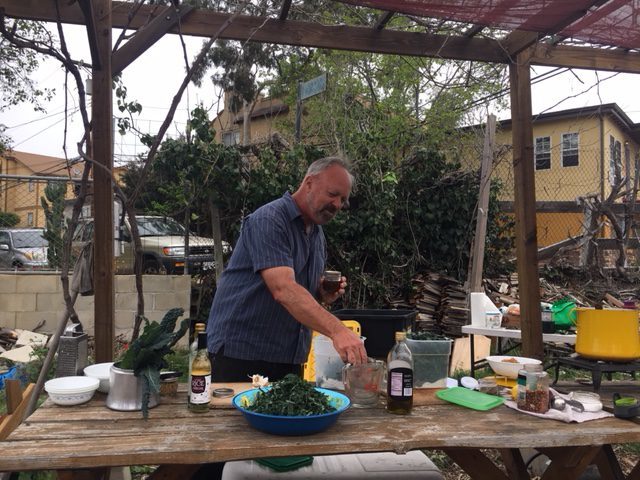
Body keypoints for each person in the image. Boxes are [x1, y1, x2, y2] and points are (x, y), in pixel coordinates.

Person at [206, 156, 368, 383]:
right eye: (333, 194)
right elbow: (284, 289)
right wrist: (338, 331)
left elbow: (297, 291)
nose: (338, 205)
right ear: (309, 183)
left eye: (343, 200)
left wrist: (321, 294)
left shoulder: (316, 233)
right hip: (241, 354)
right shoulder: (270, 220)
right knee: (235, 419)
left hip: (287, 357)